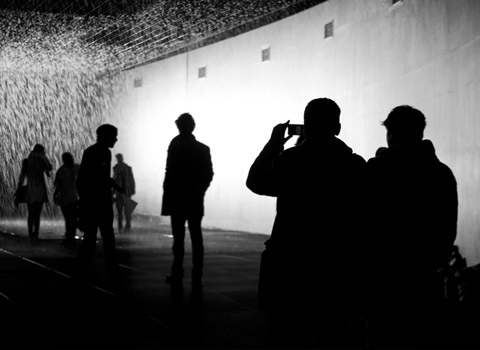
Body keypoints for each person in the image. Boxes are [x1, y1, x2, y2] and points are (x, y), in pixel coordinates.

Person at [246, 98, 366, 347]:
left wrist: (274, 144)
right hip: (336, 265)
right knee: (334, 335)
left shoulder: (290, 161)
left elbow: (255, 182)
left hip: (291, 263)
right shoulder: (354, 165)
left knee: (288, 336)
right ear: (338, 128)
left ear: (306, 127)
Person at [366, 105, 458, 348]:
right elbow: (448, 226)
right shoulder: (441, 173)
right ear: (421, 133)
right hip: (425, 275)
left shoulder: (377, 170)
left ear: (391, 134)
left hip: (384, 274)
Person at [162, 113, 213, 286]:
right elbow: (208, 174)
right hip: (195, 199)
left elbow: (169, 173)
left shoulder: (175, 145)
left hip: (177, 199)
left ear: (179, 126)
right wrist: (200, 191)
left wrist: (168, 198)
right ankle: (197, 272)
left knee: (178, 239)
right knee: (196, 238)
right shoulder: (203, 148)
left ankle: (177, 271)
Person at [76, 124, 124, 281]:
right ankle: (111, 271)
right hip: (96, 203)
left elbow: (101, 177)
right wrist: (84, 203)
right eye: (113, 136)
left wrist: (116, 186)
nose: (116, 139)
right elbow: (83, 179)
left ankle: (83, 270)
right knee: (103, 238)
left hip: (101, 202)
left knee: (95, 238)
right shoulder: (93, 152)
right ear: (104, 136)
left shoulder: (105, 153)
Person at [17, 144, 53, 243]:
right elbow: (49, 168)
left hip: (30, 188)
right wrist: (44, 157)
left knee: (31, 213)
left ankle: (30, 234)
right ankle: (36, 234)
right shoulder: (42, 160)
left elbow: (22, 175)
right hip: (40, 188)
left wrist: (19, 186)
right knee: (37, 214)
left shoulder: (27, 161)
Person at [54, 152, 80, 246]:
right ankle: (71, 237)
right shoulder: (77, 167)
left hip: (64, 198)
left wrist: (55, 195)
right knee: (72, 219)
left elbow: (58, 185)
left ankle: (69, 238)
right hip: (73, 196)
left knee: (68, 219)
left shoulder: (61, 170)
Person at [113, 153, 136, 232]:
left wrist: (113, 191)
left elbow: (115, 180)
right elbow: (131, 180)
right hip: (125, 190)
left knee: (121, 209)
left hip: (121, 191)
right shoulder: (127, 168)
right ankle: (127, 224)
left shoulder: (116, 168)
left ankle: (121, 225)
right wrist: (132, 190)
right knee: (126, 209)